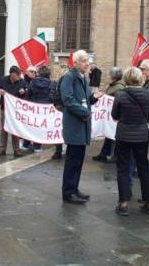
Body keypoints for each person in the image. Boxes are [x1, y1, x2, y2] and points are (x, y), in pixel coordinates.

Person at [111, 67, 149, 216]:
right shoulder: (148, 94)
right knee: (144, 168)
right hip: (142, 136)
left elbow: (114, 115)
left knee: (123, 168)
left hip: (123, 135)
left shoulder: (120, 95)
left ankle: (123, 204)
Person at [61, 50, 102, 204]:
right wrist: (85, 112)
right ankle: (68, 192)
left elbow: (85, 100)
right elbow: (68, 100)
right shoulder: (69, 77)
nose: (87, 64)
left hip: (83, 124)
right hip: (74, 125)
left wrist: (93, 98)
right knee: (72, 160)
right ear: (76, 62)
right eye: (84, 60)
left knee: (78, 160)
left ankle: (74, 189)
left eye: (88, 60)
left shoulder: (83, 78)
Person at [92, 67, 125, 163]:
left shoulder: (119, 87)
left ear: (113, 76)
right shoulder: (113, 85)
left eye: (110, 75)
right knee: (108, 134)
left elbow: (116, 100)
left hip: (114, 116)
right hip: (109, 115)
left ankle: (114, 155)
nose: (109, 76)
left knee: (112, 135)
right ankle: (103, 154)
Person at [0, 66, 28, 157]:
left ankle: (16, 149)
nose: (18, 77)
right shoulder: (3, 80)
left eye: (19, 75)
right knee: (4, 128)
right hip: (4, 108)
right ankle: (2, 148)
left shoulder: (22, 82)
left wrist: (23, 92)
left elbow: (26, 95)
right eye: (17, 75)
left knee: (15, 128)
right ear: (12, 75)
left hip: (15, 109)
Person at [24, 65, 53, 153]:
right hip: (45, 109)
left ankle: (26, 144)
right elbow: (52, 97)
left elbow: (28, 95)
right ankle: (37, 146)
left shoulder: (33, 82)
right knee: (40, 127)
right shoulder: (51, 83)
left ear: (39, 73)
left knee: (30, 125)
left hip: (33, 107)